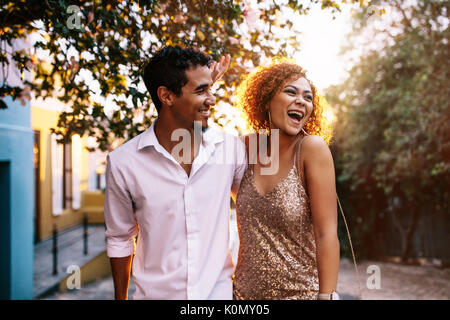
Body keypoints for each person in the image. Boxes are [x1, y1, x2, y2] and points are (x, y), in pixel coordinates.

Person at [104, 46, 247, 300]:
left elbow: (256, 205)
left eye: (210, 89)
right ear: (166, 96)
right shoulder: (123, 163)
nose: (212, 99)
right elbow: (119, 238)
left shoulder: (229, 149)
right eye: (202, 90)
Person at [233, 60, 340, 300]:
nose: (301, 101)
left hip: (301, 294)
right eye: (290, 92)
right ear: (266, 100)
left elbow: (327, 233)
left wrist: (327, 296)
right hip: (242, 298)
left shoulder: (311, 149)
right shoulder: (247, 148)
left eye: (308, 97)